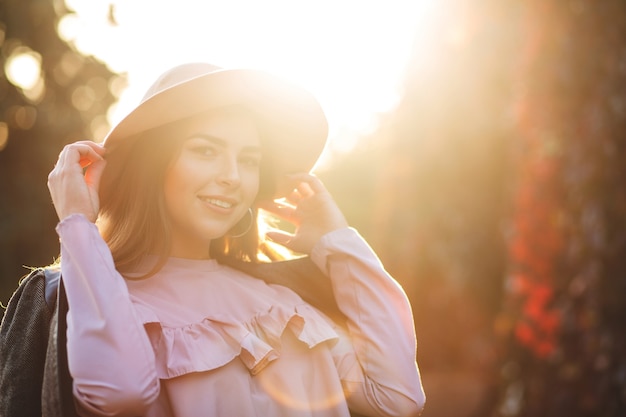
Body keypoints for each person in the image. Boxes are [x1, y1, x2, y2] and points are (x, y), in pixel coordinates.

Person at [43, 62, 425, 417]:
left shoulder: (286, 305)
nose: (232, 176)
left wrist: (339, 241)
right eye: (205, 150)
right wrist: (78, 225)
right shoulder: (107, 301)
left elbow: (398, 397)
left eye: (249, 159)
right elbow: (121, 394)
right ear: (153, 165)